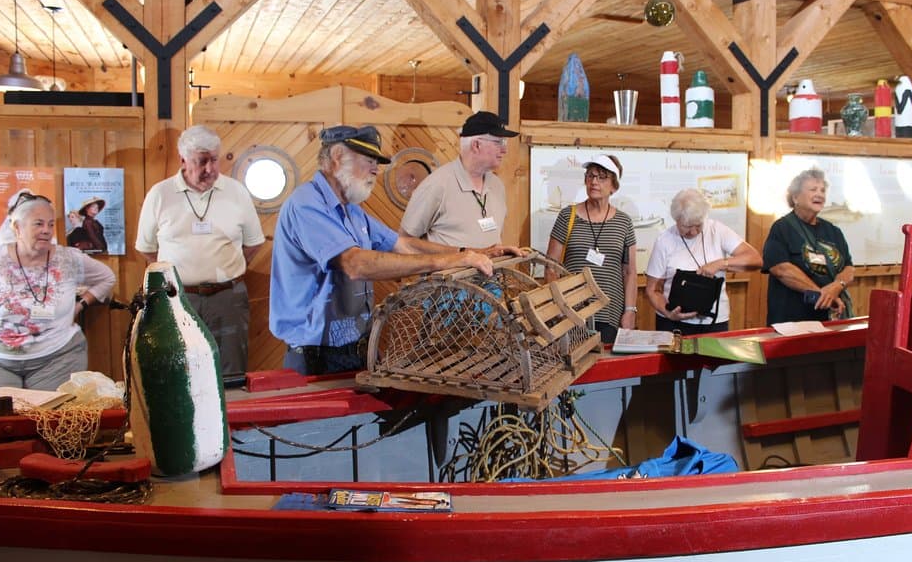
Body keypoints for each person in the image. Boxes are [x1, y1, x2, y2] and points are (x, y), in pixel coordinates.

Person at [269, 124, 516, 376]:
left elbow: (404, 244)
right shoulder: (306, 204)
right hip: (317, 357)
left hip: (356, 349)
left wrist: (473, 252)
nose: (376, 169)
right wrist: (448, 262)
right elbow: (356, 264)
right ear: (337, 157)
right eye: (369, 160)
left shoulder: (352, 210)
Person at [136, 125, 265, 378]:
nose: (210, 169)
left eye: (214, 160)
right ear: (182, 159)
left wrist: (227, 271)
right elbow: (147, 250)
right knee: (179, 371)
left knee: (231, 372)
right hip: (177, 299)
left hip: (228, 298)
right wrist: (177, 277)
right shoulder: (160, 195)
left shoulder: (236, 192)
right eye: (201, 161)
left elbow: (254, 243)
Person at [0, 194, 115, 390]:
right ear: (17, 228)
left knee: (51, 417)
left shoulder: (68, 259)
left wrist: (80, 305)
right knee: (2, 418)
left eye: (50, 225)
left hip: (58, 358)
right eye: (38, 224)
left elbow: (106, 277)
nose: (46, 231)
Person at [545, 154, 637, 344]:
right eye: (590, 176)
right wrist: (559, 307)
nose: (594, 182)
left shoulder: (624, 222)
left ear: (614, 186)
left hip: (610, 313)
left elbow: (630, 272)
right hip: (572, 311)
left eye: (602, 177)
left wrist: (630, 311)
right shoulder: (567, 216)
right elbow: (550, 266)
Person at [645, 189, 761, 334]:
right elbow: (652, 289)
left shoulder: (717, 230)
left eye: (698, 225)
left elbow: (755, 259)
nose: (693, 232)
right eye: (687, 226)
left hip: (714, 322)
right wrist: (668, 313)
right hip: (673, 323)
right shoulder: (665, 240)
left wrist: (720, 264)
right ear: (676, 220)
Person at [399, 111, 518, 248]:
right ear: (476, 145)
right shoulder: (436, 185)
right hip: (450, 270)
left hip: (493, 269)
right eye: (499, 142)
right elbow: (404, 242)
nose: (504, 150)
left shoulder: (497, 185)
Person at [762, 167, 854, 325]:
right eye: (813, 189)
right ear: (796, 197)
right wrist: (823, 295)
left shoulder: (834, 231)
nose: (820, 194)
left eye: (823, 190)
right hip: (792, 320)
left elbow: (849, 268)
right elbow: (781, 269)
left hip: (830, 319)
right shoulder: (782, 228)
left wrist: (836, 287)